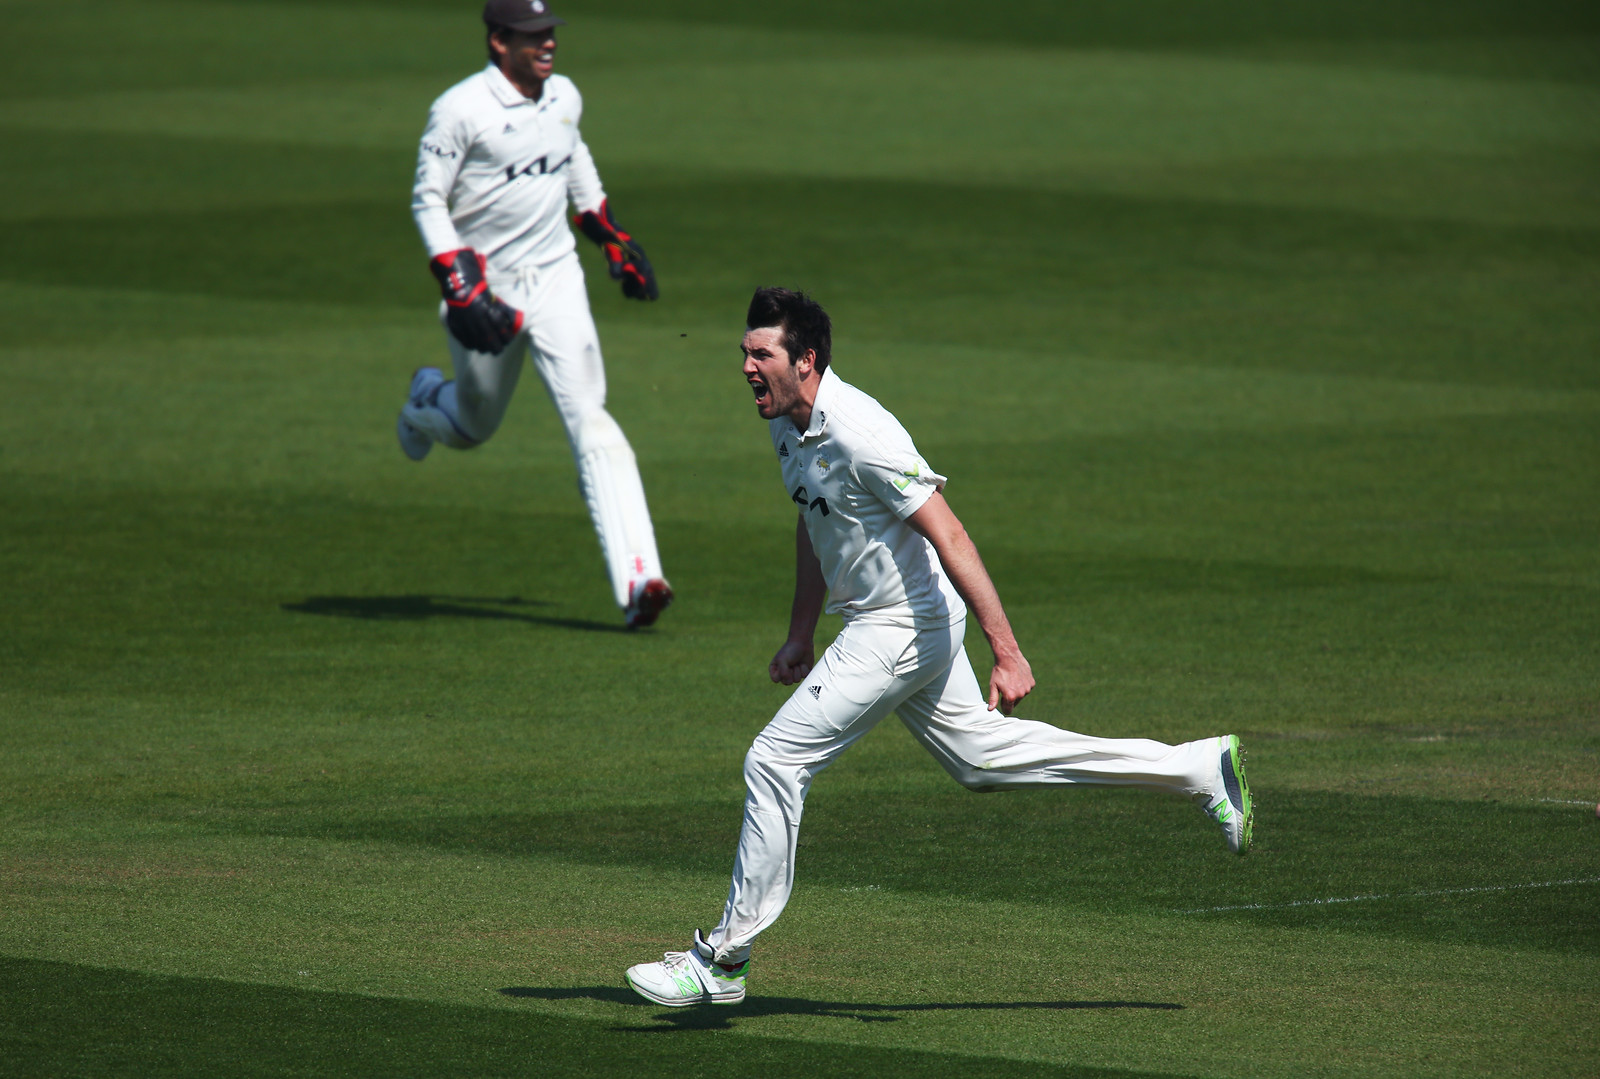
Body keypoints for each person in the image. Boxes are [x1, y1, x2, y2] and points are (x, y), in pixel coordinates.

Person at [624, 288, 1254, 1007]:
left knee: (775, 757)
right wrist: (800, 631)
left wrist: (1007, 649)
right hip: (895, 622)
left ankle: (723, 957)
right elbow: (813, 519)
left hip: (899, 626)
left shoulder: (862, 432)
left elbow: (949, 532)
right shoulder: (786, 424)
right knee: (982, 759)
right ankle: (1197, 766)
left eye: (761, 353)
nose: (746, 366)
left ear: (806, 360)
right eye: (744, 352)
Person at [396, 0, 672, 629]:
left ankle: (640, 580)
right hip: (486, 291)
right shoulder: (460, 109)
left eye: (549, 33)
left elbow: (573, 160)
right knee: (473, 425)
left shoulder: (563, 97)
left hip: (556, 282)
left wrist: (612, 236)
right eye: (532, 36)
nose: (546, 44)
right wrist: (458, 280)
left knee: (591, 420)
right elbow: (428, 199)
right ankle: (423, 400)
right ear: (499, 42)